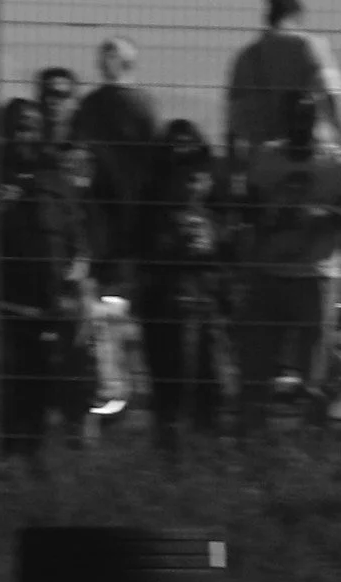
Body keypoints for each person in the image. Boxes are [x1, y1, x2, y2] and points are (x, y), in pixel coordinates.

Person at [0, 98, 93, 460]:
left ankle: (29, 458)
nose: (23, 136)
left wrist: (74, 283)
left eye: (30, 127)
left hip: (46, 307)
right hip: (1, 306)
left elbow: (78, 240)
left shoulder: (56, 181)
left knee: (37, 388)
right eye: (16, 128)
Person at [236, 89, 341, 437]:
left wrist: (325, 215)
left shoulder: (340, 164)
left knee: (315, 374)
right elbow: (247, 213)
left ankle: (312, 443)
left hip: (318, 276)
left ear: (318, 120)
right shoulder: (267, 158)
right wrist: (271, 218)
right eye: (294, 117)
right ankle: (252, 440)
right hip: (269, 273)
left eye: (307, 117)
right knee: (256, 368)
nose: (301, 125)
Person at [140, 130, 231, 451]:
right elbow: (147, 261)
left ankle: (205, 446)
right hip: (170, 312)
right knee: (174, 387)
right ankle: (171, 449)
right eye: (186, 177)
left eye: (199, 177)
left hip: (207, 311)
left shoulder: (213, 219)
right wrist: (178, 246)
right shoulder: (155, 217)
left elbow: (226, 261)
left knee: (213, 384)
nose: (193, 185)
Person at [225, 0, 341, 186]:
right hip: (314, 161)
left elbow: (233, 121)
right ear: (298, 15)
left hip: (264, 166)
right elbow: (334, 98)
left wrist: (233, 172)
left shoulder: (247, 56)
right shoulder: (311, 46)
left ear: (269, 16)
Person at [72, 37, 163, 282]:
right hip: (104, 203)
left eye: (111, 56)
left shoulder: (137, 105)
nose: (104, 61)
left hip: (125, 201)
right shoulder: (96, 104)